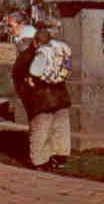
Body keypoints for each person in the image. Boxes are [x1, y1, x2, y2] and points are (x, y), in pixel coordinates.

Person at [12, 21, 72, 171]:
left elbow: (18, 75)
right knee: (60, 128)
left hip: (40, 99)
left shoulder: (28, 56)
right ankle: (60, 155)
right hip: (61, 96)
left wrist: (26, 94)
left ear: (35, 42)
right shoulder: (59, 51)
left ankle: (40, 160)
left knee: (40, 129)